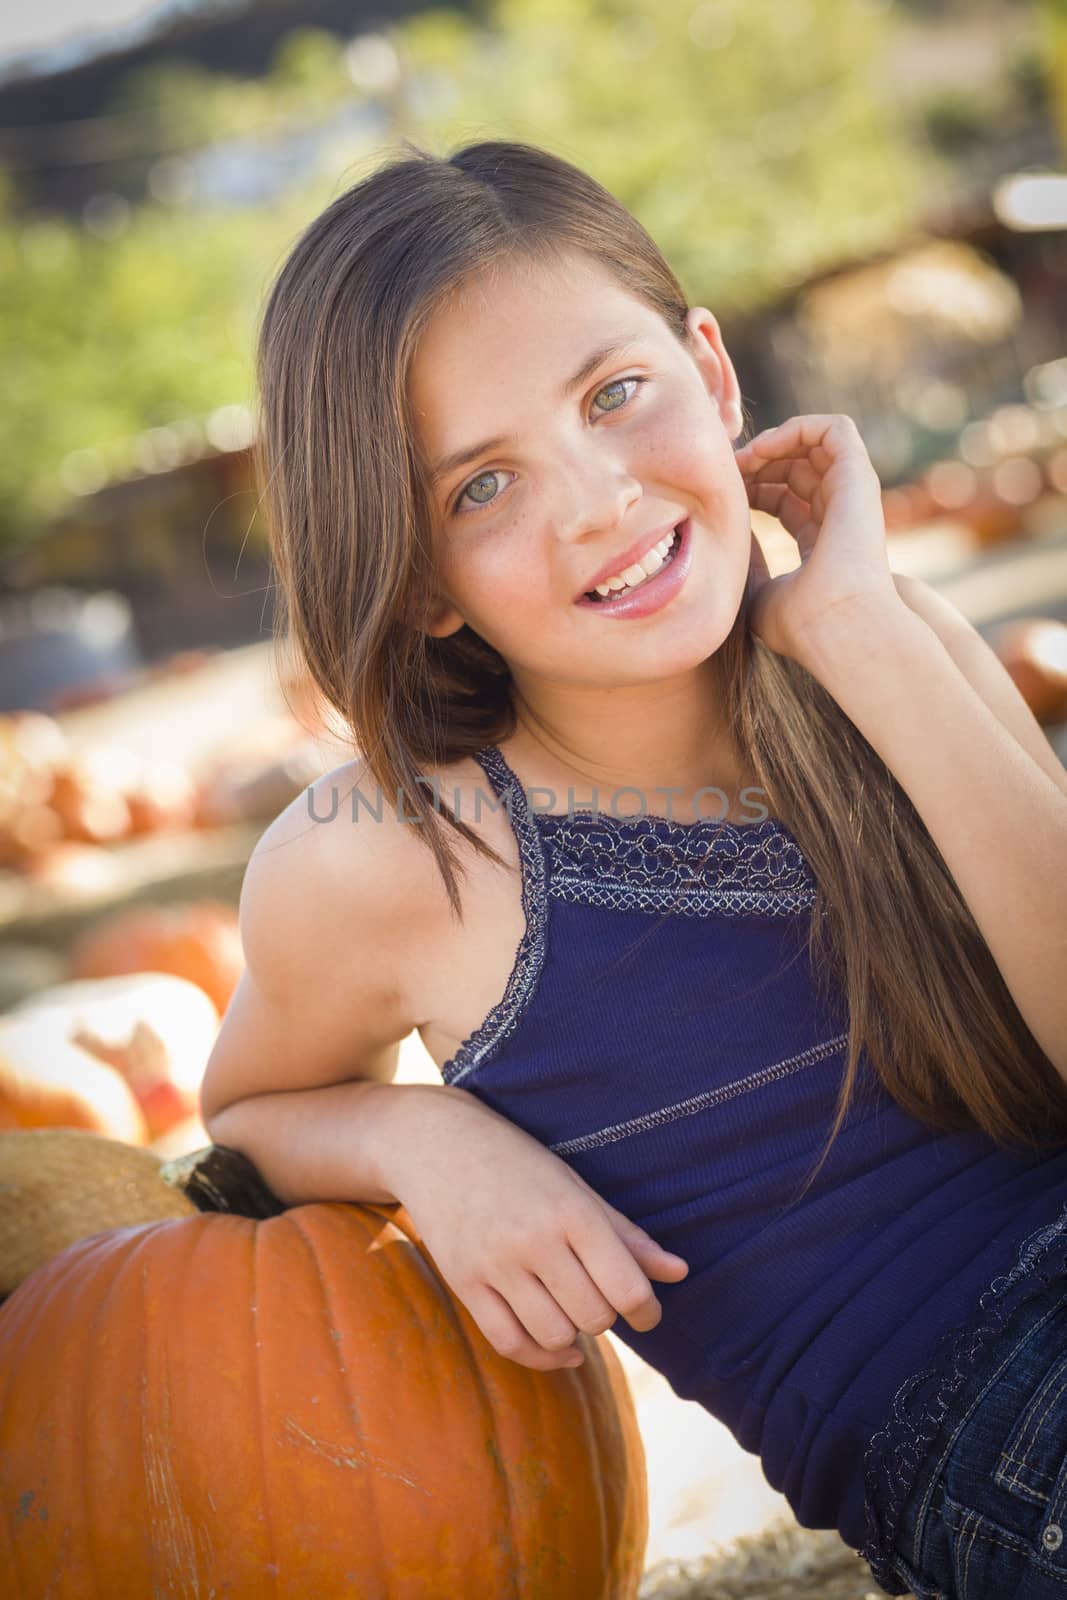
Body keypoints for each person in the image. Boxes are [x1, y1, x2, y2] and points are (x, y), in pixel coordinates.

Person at [198, 138, 1067, 1597]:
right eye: (483, 487)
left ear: (712, 374)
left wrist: (858, 633)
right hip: (995, 1432)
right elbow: (249, 1107)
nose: (599, 499)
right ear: (415, 578)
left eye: (615, 395)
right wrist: (421, 1138)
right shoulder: (402, 855)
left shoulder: (886, 635)